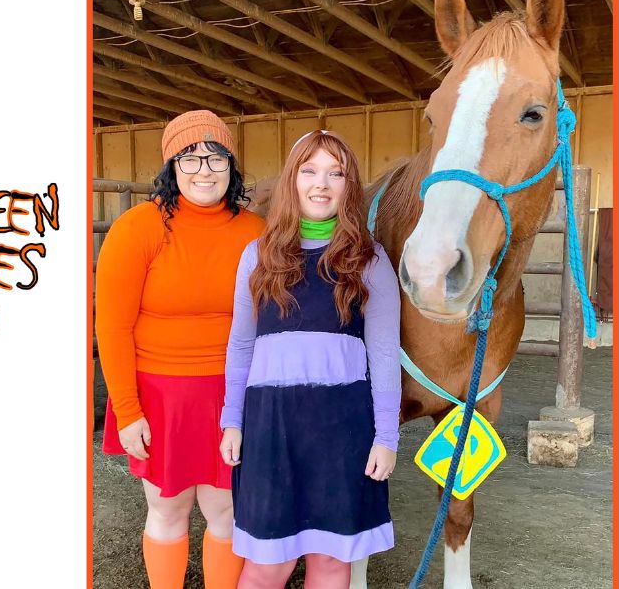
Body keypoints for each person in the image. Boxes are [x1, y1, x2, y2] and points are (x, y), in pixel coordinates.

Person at [219, 130, 401, 588]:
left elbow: (382, 354)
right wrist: (232, 420)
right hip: (271, 427)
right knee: (267, 564)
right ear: (292, 180)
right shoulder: (256, 258)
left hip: (342, 430)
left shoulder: (370, 260)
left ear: (349, 186)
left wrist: (386, 437)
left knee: (331, 560)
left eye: (335, 173)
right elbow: (241, 345)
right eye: (310, 171)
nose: (322, 184)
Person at [96, 110, 265, 589]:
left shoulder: (256, 231)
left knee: (226, 511)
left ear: (232, 167)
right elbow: (112, 326)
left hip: (231, 395)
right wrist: (127, 411)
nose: (204, 169)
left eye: (215, 157)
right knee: (167, 509)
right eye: (189, 158)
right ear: (171, 168)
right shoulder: (138, 228)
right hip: (159, 396)